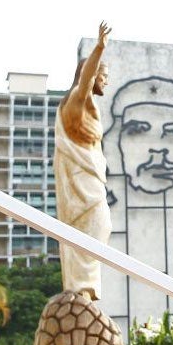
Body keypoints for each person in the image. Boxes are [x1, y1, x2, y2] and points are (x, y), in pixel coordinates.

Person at [54, 21, 113, 301]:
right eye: (104, 73)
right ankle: (81, 292)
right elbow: (86, 80)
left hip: (90, 179)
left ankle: (85, 292)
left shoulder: (89, 107)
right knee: (93, 231)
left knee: (98, 233)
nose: (106, 79)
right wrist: (99, 48)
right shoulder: (76, 102)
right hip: (81, 185)